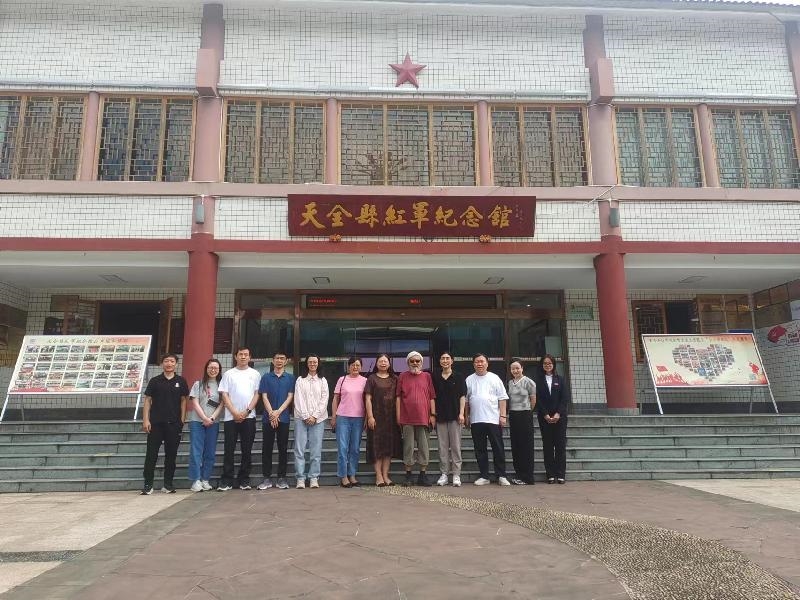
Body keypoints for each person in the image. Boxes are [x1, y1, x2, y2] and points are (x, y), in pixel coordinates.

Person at [140, 353, 189, 495]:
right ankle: (148, 484)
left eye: (172, 361)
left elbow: (184, 400)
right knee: (151, 455)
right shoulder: (155, 381)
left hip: (174, 424)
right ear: (162, 364)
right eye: (166, 361)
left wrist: (182, 419)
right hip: (155, 423)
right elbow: (148, 400)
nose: (169, 363)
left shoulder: (181, 381)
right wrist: (145, 420)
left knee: (171, 455)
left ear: (176, 364)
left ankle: (168, 484)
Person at [218, 347, 260, 491]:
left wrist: (247, 411)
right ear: (235, 357)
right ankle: (227, 480)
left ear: (250, 357)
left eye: (246, 354)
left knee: (246, 449)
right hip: (231, 418)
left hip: (249, 417)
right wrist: (235, 412)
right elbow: (224, 394)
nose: (243, 357)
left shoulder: (255, 374)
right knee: (229, 449)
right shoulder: (228, 374)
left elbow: (257, 394)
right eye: (240, 354)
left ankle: (244, 479)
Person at [465, 353, 510, 486]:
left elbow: (502, 398)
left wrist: (503, 416)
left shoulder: (494, 378)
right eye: (477, 362)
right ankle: (484, 475)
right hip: (476, 419)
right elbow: (466, 400)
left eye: (482, 361)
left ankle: (501, 475)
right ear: (473, 364)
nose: (479, 364)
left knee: (498, 448)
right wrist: (467, 416)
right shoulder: (469, 379)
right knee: (480, 449)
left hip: (493, 419)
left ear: (487, 363)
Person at [396, 350, 436, 487]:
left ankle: (422, 475)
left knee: (424, 447)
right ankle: (408, 475)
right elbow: (398, 397)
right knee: (408, 447)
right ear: (408, 363)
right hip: (407, 418)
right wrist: (398, 416)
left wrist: (433, 415)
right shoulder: (402, 376)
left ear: (421, 362)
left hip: (423, 418)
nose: (415, 363)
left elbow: (431, 397)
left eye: (417, 361)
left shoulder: (427, 376)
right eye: (412, 361)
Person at [257, 351, 295, 490]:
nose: (279, 360)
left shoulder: (290, 378)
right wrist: (272, 413)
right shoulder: (266, 377)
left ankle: (281, 478)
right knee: (266, 448)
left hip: (283, 418)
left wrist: (278, 412)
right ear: (273, 361)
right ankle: (266, 478)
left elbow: (290, 397)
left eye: (282, 358)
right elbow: (264, 397)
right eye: (277, 358)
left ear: (286, 361)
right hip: (268, 418)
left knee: (282, 448)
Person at [365, 353, 402, 487]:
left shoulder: (395, 379)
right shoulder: (372, 378)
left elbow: (398, 398)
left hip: (390, 418)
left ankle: (386, 475)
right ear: (376, 363)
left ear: (389, 363)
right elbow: (368, 398)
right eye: (380, 361)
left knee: (388, 447)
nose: (383, 363)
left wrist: (399, 417)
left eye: (385, 361)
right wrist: (370, 416)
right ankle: (378, 476)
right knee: (377, 447)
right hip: (376, 417)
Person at [187, 359, 224, 492]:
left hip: (213, 422)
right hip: (197, 421)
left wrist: (211, 418)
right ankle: (196, 480)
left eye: (216, 368)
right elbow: (195, 403)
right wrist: (204, 418)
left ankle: (205, 479)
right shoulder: (198, 384)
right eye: (210, 367)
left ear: (219, 370)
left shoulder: (221, 386)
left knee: (210, 451)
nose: (213, 370)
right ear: (206, 369)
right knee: (196, 451)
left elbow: (222, 404)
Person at [293, 354, 328, 489]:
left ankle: (313, 477)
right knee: (299, 449)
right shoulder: (300, 380)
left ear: (318, 364)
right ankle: (300, 478)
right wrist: (306, 416)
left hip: (318, 420)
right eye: (310, 362)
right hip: (301, 418)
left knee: (316, 449)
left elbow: (324, 399)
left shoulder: (323, 380)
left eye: (315, 362)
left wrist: (314, 416)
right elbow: (298, 399)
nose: (312, 364)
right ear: (306, 364)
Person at [331, 357, 367, 487]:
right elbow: (335, 399)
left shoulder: (365, 381)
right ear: (348, 366)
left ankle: (352, 475)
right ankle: (343, 476)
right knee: (343, 448)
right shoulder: (342, 379)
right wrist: (334, 416)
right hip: (343, 417)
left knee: (355, 448)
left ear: (361, 367)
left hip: (359, 418)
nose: (355, 367)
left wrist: (367, 418)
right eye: (352, 365)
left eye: (357, 365)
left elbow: (368, 400)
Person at [432, 352, 466, 487]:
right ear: (440, 361)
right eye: (442, 358)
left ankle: (456, 474)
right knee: (442, 447)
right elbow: (432, 397)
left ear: (452, 361)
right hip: (440, 416)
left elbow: (462, 396)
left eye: (447, 358)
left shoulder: (458, 376)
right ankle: (444, 474)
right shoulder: (435, 377)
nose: (445, 360)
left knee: (456, 446)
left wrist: (462, 413)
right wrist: (433, 414)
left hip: (455, 416)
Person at [535, 354, 569, 484]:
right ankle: (550, 474)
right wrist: (545, 415)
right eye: (545, 363)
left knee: (560, 446)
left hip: (560, 418)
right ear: (542, 365)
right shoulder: (538, 381)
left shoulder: (560, 379)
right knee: (548, 446)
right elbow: (537, 399)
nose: (547, 365)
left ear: (554, 365)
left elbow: (564, 398)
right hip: (544, 418)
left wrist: (558, 414)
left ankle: (560, 474)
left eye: (550, 363)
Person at [507, 360, 536, 485]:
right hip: (513, 415)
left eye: (517, 368)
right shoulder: (510, 383)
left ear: (522, 368)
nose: (515, 370)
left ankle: (527, 476)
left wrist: (527, 411)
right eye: (513, 368)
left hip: (525, 415)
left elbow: (533, 400)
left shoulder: (529, 382)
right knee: (516, 445)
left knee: (526, 446)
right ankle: (519, 474)